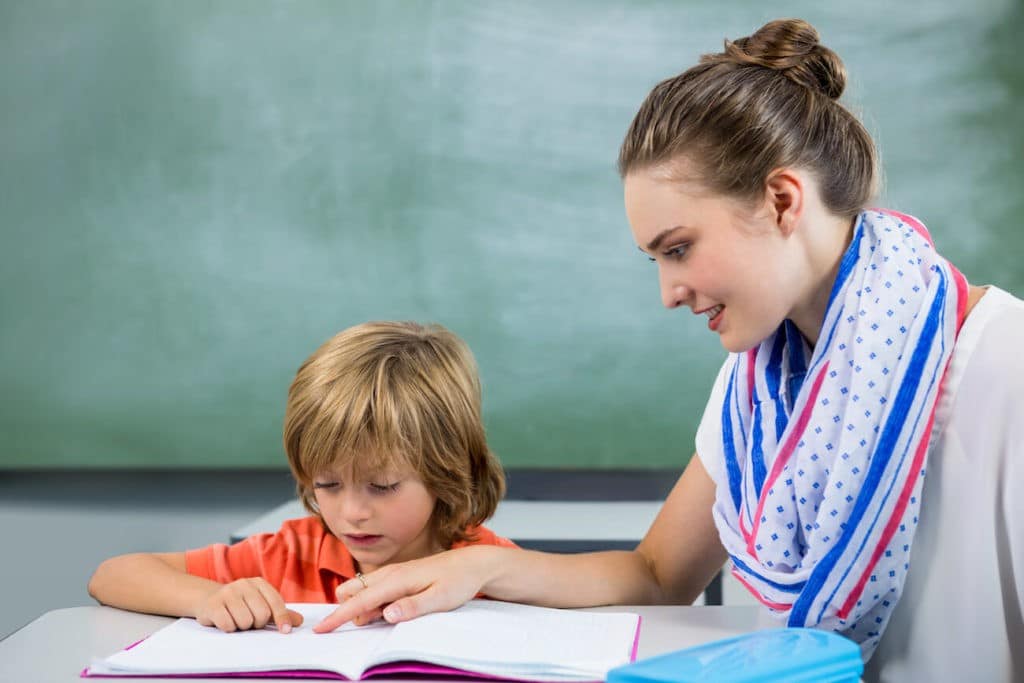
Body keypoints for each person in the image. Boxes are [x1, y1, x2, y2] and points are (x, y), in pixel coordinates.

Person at [310, 19, 1024, 682]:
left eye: (678, 249)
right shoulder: (757, 390)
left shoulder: (1006, 365)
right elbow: (657, 572)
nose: (668, 292)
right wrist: (477, 570)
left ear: (781, 201)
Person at [87, 321, 514, 633]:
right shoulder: (291, 554)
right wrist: (208, 597)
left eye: (382, 486)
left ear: (446, 469)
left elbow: (583, 578)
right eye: (327, 485)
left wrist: (494, 570)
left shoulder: (478, 564)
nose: (352, 513)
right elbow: (112, 575)